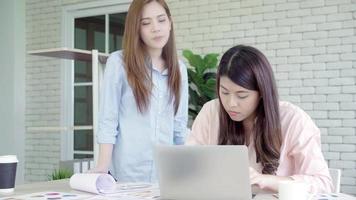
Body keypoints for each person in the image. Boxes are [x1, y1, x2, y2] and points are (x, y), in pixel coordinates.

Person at [185, 45, 333, 193]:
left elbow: (323, 183)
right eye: (224, 92)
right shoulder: (211, 111)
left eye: (242, 95)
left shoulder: (293, 119)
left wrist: (265, 180)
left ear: (262, 92)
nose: (231, 103)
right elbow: (187, 166)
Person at [91, 0, 188, 182]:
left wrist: (187, 168)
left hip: (165, 176)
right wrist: (102, 166)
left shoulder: (179, 68)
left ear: (170, 22)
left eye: (161, 20)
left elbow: (179, 127)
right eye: (146, 23)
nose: (156, 28)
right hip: (127, 176)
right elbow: (108, 120)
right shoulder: (119, 63)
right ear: (136, 28)